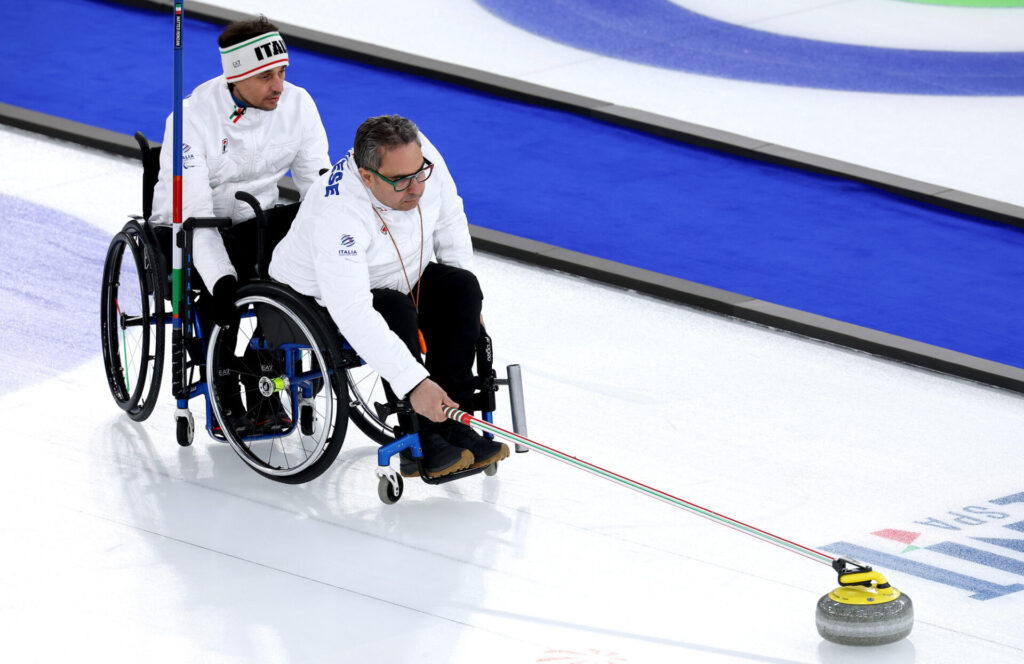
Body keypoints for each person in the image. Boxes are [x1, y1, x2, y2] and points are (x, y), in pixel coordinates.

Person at [270, 114, 509, 478]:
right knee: (393, 310)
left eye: (419, 173)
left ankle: (455, 424)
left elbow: (450, 218)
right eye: (401, 180)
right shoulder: (340, 213)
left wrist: (467, 308)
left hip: (397, 271)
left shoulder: (418, 155)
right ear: (367, 176)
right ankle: (422, 436)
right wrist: (414, 381)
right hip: (320, 296)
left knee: (461, 290)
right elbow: (352, 310)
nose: (415, 188)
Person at [149, 15, 331, 432]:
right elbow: (192, 214)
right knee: (222, 298)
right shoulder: (190, 119)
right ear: (236, 77)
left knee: (307, 230)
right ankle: (225, 384)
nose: (279, 85)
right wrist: (222, 280)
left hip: (255, 223)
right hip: (188, 229)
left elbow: (319, 190)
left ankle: (267, 360)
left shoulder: (299, 106)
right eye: (266, 75)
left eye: (282, 71)